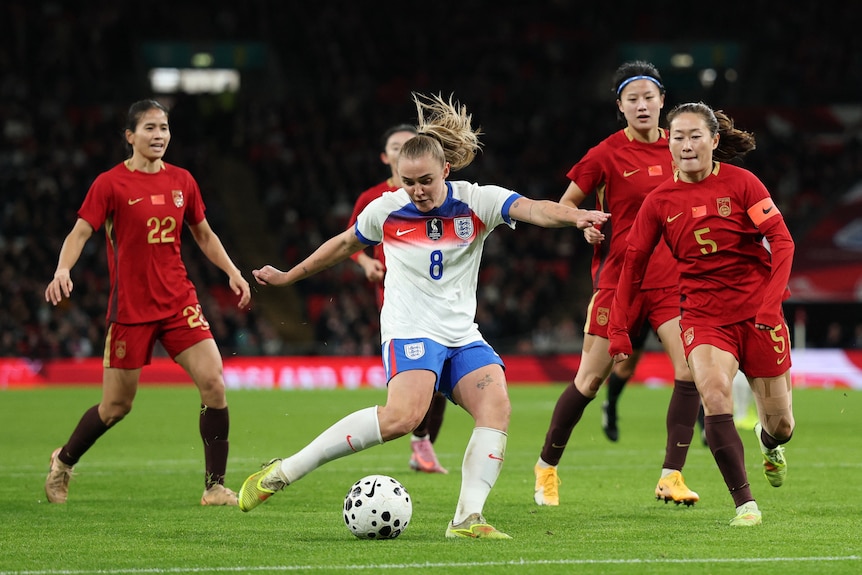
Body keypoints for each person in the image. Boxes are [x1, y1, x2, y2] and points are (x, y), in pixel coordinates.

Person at [238, 92, 609, 539]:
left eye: (425, 181)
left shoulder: (478, 201)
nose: (416, 190)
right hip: (410, 329)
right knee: (403, 419)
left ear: (446, 171)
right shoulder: (387, 209)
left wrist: (574, 218)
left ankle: (467, 519)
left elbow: (533, 209)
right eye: (408, 181)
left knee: (497, 406)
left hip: (461, 334)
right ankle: (284, 471)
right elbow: (341, 245)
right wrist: (288, 277)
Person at [43, 99, 251, 506]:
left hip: (178, 301)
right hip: (131, 311)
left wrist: (232, 271)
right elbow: (80, 232)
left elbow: (204, 234)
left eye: (165, 128)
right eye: (150, 129)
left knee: (214, 383)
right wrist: (62, 269)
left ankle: (214, 487)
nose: (159, 136)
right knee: (116, 407)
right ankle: (63, 462)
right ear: (130, 136)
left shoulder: (183, 181)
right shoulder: (110, 184)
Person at [609, 101, 795, 527]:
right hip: (703, 317)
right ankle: (745, 505)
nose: (687, 144)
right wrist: (619, 328)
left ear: (713, 140)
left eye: (695, 136)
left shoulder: (743, 183)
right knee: (713, 394)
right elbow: (632, 267)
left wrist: (769, 304)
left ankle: (769, 444)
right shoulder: (659, 203)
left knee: (782, 424)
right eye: (678, 136)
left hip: (758, 316)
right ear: (668, 144)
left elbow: (783, 242)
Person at [534, 61, 701, 507]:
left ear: (663, 101)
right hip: (620, 282)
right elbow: (567, 204)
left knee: (690, 372)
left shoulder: (682, 149)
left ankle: (671, 475)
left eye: (649, 97)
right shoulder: (605, 154)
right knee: (589, 380)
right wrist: (583, 223)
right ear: (620, 107)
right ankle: (547, 466)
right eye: (633, 99)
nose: (643, 105)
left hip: (671, 282)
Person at [348, 123, 449, 474]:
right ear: (385, 156)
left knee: (440, 381)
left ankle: (423, 444)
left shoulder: (438, 193)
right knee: (425, 378)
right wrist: (366, 264)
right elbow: (351, 243)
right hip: (397, 299)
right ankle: (418, 439)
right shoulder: (374, 199)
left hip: (439, 298)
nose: (401, 149)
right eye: (395, 145)